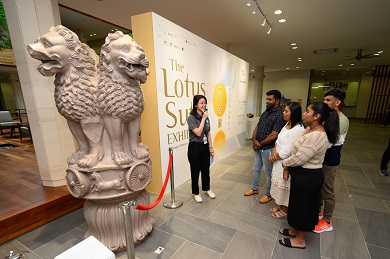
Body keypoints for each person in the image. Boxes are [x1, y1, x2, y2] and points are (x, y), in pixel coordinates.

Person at [279, 102, 339, 249]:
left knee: (304, 207)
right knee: (297, 205)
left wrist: (284, 163)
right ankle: (296, 231)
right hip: (301, 174)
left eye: (307, 111)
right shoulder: (309, 129)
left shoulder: (318, 135)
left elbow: (301, 158)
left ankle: (300, 240)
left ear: (316, 116)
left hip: (308, 176)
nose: (304, 114)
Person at [314, 89, 349, 233]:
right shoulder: (329, 116)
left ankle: (327, 221)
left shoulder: (342, 120)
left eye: (328, 100)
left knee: (327, 190)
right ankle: (319, 212)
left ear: (338, 102)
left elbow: (330, 142)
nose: (325, 103)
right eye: (324, 100)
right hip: (321, 158)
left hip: (330, 160)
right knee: (318, 187)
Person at [244, 90, 285, 203]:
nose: (267, 101)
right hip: (258, 147)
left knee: (268, 172)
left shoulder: (280, 115)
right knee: (256, 169)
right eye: (266, 99)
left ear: (277, 101)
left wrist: (260, 144)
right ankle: (254, 188)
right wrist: (254, 141)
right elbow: (257, 127)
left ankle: (269, 194)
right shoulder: (265, 112)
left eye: (270, 99)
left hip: (268, 149)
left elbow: (274, 135)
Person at [268, 102, 305, 218]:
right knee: (277, 182)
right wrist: (273, 152)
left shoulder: (299, 129)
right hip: (277, 160)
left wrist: (274, 156)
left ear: (293, 113)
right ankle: (279, 205)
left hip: (285, 162)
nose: (283, 113)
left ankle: (285, 210)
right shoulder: (287, 124)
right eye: (284, 111)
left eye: (286, 111)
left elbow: (289, 149)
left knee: (284, 186)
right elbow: (278, 140)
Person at [187, 95, 215, 203]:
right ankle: (196, 192)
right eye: (201, 103)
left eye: (205, 103)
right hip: (194, 147)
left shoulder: (206, 117)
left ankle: (207, 189)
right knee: (195, 171)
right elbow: (198, 133)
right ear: (195, 105)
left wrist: (211, 148)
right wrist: (203, 118)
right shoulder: (191, 118)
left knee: (205, 170)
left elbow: (208, 133)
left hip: (205, 146)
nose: (204, 105)